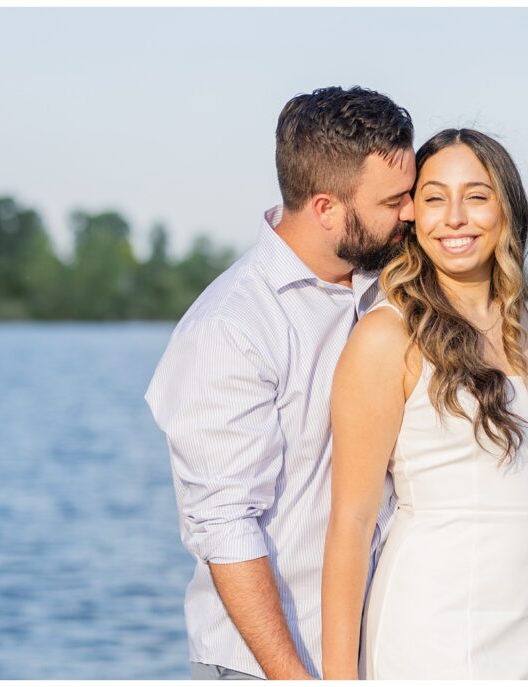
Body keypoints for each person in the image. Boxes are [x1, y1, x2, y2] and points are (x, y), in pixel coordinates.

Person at [322, 129, 528, 680]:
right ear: (414, 217)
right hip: (428, 635)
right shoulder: (388, 337)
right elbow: (351, 521)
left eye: (476, 196)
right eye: (434, 198)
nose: (454, 217)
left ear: (507, 208)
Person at [144, 86, 417, 680]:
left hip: (385, 656)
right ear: (325, 208)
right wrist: (292, 677)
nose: (412, 213)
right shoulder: (231, 327)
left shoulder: (389, 290)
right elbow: (223, 522)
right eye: (394, 200)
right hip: (271, 667)